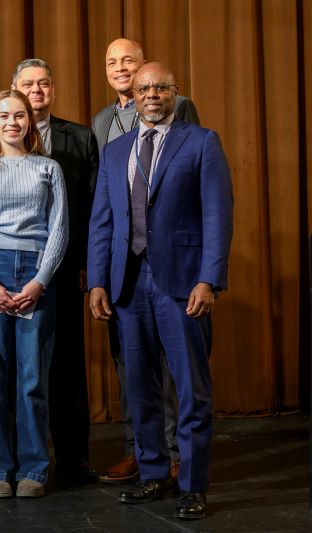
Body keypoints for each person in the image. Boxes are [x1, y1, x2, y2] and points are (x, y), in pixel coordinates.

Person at [87, 62, 233, 520]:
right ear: (133, 93)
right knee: (140, 387)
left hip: (183, 283)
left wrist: (208, 279)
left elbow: (217, 216)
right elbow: (101, 223)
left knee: (191, 387)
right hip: (127, 285)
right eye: (143, 87)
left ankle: (191, 484)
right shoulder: (115, 152)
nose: (151, 93)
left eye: (160, 87)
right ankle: (152, 472)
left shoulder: (202, 141)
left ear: (174, 93)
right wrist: (96, 280)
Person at [0, 58, 98, 485]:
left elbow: (75, 217)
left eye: (44, 84)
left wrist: (59, 273)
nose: (37, 91)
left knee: (46, 372)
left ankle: (51, 463)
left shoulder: (65, 152)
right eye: (28, 85)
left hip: (48, 272)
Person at [91, 38, 201, 484]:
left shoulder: (183, 109)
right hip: (126, 265)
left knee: (176, 370)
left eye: (128, 61)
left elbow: (191, 177)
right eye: (112, 62)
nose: (121, 68)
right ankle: (140, 452)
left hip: (172, 263)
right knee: (132, 367)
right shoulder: (102, 122)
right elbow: (104, 200)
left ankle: (177, 456)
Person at [0, 89, 68, 498]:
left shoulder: (48, 168)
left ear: (31, 121)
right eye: (4, 115)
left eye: (20, 115)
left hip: (36, 274)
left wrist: (40, 281)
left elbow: (59, 229)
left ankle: (33, 470)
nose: (12, 122)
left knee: (31, 378)